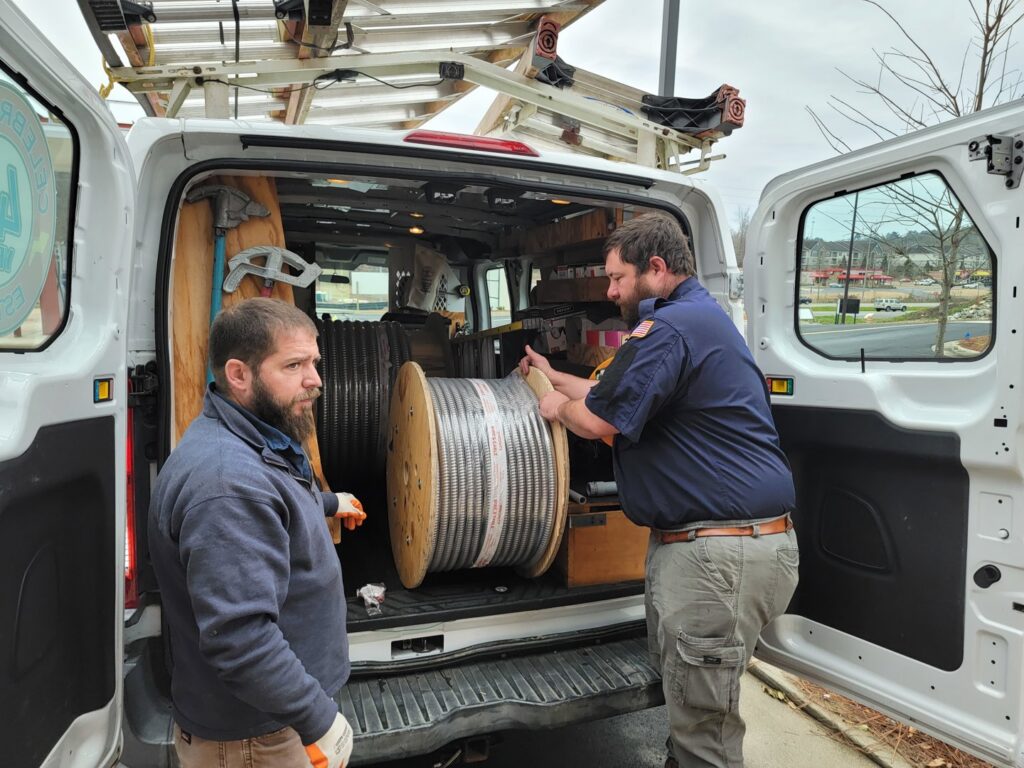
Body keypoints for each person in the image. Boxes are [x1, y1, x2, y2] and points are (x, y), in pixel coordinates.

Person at [521, 213, 799, 768]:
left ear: (656, 268)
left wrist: (554, 407)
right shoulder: (696, 319)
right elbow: (611, 393)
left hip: (717, 556)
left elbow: (599, 421)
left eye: (617, 278)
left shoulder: (668, 329)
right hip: (727, 549)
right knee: (696, 707)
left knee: (705, 735)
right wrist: (552, 376)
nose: (610, 290)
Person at [149, 298, 365, 768]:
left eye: (314, 363)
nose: (316, 380)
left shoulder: (253, 437)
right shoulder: (227, 485)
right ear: (239, 375)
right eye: (294, 365)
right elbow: (241, 639)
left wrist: (329, 502)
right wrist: (319, 719)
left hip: (265, 726)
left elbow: (275, 497)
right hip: (254, 740)